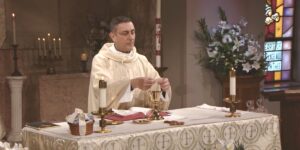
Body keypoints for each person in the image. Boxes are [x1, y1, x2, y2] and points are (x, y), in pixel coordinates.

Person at [88, 16, 172, 112]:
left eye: (133, 32)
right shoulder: (101, 60)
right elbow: (101, 92)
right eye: (125, 33)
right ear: (113, 36)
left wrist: (162, 88)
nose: (131, 37)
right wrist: (131, 84)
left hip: (140, 121)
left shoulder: (141, 60)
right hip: (112, 123)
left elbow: (155, 91)